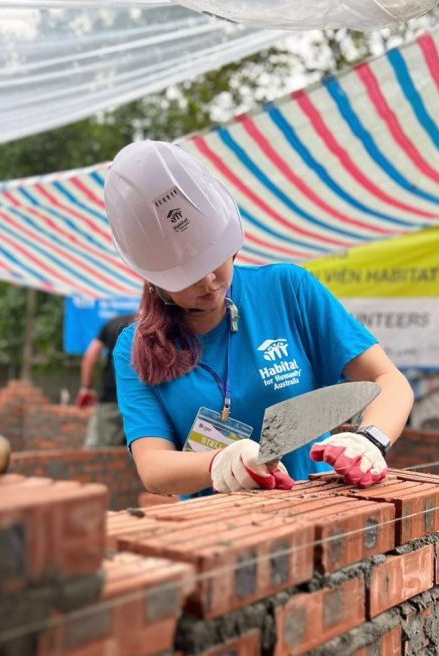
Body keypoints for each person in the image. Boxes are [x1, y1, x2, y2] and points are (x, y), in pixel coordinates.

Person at [105, 140, 414, 496]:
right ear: (155, 278)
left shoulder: (286, 290)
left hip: (316, 513)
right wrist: (219, 461)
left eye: (214, 259)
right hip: (220, 532)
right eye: (187, 275)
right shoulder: (134, 348)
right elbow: (154, 468)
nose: (208, 281)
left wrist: (370, 439)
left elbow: (387, 378)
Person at [78, 312, 137, 448]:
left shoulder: (113, 323)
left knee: (97, 450)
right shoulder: (155, 324)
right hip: (144, 401)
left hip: (112, 400)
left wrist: (87, 387)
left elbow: (91, 357)